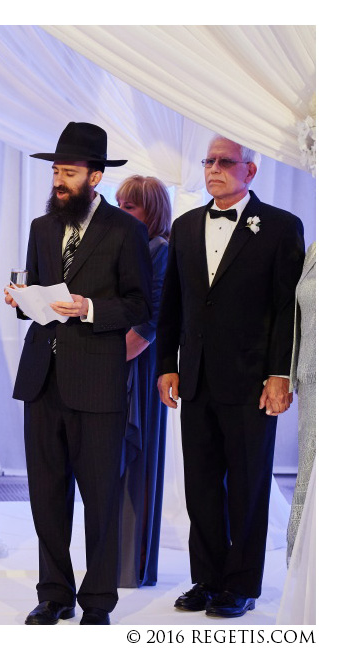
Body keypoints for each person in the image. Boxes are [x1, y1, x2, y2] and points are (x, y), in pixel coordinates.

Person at [4, 122, 152, 625]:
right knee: (46, 495)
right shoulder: (41, 229)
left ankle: (97, 601)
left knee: (100, 498)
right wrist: (21, 300)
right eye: (55, 171)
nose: (58, 181)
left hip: (97, 383)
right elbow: (35, 293)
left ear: (95, 176)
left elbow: (138, 304)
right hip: (42, 376)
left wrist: (90, 308)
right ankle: (54, 594)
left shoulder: (125, 231)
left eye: (68, 172)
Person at [157, 135, 305, 618]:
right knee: (200, 486)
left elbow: (287, 309)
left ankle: (240, 585)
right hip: (195, 377)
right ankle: (207, 578)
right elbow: (172, 306)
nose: (214, 169)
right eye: (209, 161)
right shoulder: (184, 227)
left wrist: (279, 374)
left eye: (225, 162)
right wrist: (167, 365)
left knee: (247, 485)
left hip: (252, 383)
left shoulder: (282, 227)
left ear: (250, 171)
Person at [114, 175, 171, 588]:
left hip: (143, 363)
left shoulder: (161, 249)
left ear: (152, 212)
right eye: (118, 203)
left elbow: (153, 318)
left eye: (130, 206)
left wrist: (112, 360)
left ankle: (132, 566)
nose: (121, 212)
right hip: (116, 358)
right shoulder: (124, 245)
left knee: (137, 459)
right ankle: (113, 562)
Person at [287, 240, 315, 561]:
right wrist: (289, 373)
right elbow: (296, 315)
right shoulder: (317, 249)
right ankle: (302, 561)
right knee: (308, 471)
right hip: (312, 379)